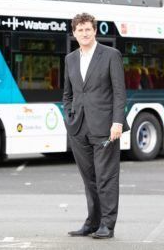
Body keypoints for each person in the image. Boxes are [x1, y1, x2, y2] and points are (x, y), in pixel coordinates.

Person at [63, 13, 129, 239]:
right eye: (79, 30)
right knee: (89, 178)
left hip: (106, 127)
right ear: (74, 33)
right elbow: (68, 93)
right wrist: (69, 117)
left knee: (106, 177)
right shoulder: (70, 59)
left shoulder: (111, 55)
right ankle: (92, 222)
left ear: (94, 31)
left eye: (87, 29)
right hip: (79, 128)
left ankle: (107, 225)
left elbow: (119, 92)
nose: (84, 33)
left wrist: (117, 121)